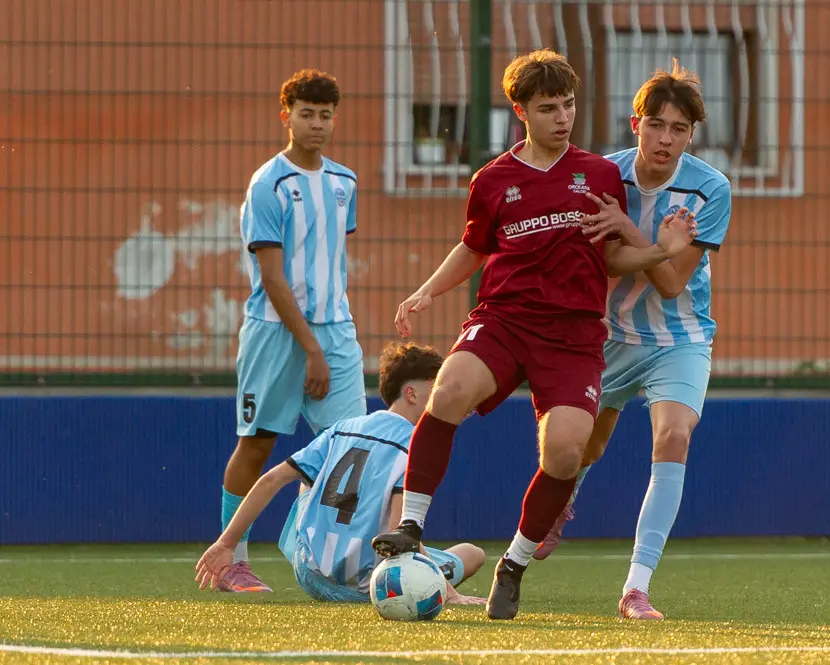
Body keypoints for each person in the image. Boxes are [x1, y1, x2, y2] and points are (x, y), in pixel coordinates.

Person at [369, 49, 699, 621]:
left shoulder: (597, 174)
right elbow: (474, 246)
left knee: (567, 451)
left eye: (569, 105)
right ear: (520, 110)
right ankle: (411, 525)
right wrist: (427, 292)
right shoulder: (493, 180)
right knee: (447, 392)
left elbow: (614, 257)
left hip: (571, 335)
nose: (562, 117)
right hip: (503, 318)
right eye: (548, 108)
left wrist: (660, 251)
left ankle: (513, 566)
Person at [533, 61, 733, 621]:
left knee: (673, 436)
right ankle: (562, 497)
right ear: (634, 123)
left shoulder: (711, 188)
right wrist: (652, 240)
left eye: (680, 129)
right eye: (656, 125)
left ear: (692, 135)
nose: (666, 139)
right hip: (609, 335)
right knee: (584, 449)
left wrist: (631, 229)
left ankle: (635, 589)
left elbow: (671, 285)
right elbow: (602, 261)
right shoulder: (601, 175)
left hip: (682, 337)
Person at [219, 68, 367, 592]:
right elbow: (274, 279)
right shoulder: (268, 184)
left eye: (326, 115)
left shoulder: (345, 182)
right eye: (306, 114)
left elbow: (329, 262)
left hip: (337, 333)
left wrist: (329, 341)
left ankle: (333, 557)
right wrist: (311, 349)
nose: (317, 125)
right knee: (257, 443)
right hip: (276, 335)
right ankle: (231, 560)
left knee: (353, 450)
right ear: (286, 117)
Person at [195, 342, 487, 606]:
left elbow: (272, 479)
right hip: (368, 586)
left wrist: (226, 543)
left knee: (305, 476)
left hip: (308, 572)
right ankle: (431, 578)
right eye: (437, 388)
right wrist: (448, 593)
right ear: (411, 393)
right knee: (473, 555)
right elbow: (397, 533)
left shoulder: (342, 428)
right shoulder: (415, 447)